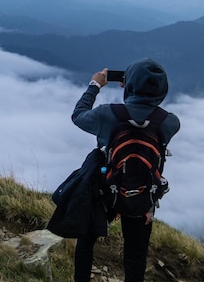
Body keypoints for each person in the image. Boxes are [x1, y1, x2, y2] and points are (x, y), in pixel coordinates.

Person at [71, 58, 180, 282]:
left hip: (103, 192)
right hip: (141, 197)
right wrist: (135, 94)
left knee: (86, 241)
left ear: (128, 85)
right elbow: (145, 115)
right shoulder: (170, 122)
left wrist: (95, 86)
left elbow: (78, 116)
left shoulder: (107, 114)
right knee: (135, 256)